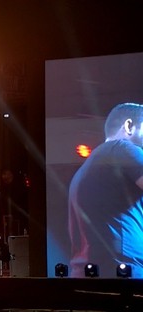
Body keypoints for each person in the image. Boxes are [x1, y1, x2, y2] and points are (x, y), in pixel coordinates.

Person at [69, 102, 143, 278]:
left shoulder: (90, 165)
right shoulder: (123, 148)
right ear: (129, 125)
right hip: (124, 272)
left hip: (90, 273)